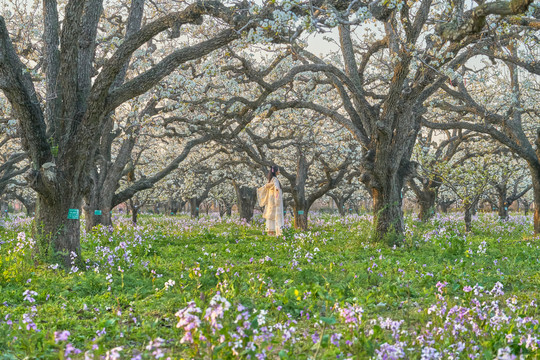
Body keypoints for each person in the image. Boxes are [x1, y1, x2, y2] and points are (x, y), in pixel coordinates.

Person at [257, 165, 284, 236]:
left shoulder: (271, 179)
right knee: (275, 215)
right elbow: (277, 188)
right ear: (275, 171)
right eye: (278, 170)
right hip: (275, 201)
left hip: (270, 201)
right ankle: (276, 231)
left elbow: (268, 186)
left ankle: (270, 231)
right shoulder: (275, 180)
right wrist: (277, 197)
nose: (279, 171)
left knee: (271, 216)